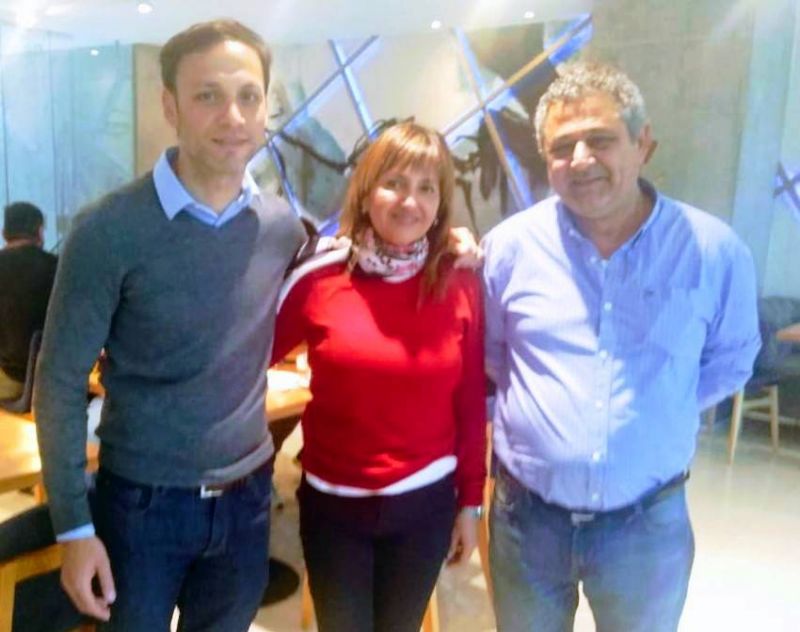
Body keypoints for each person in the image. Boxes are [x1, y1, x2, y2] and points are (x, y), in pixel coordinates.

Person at [34, 20, 307, 631]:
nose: (232, 115)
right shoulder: (107, 231)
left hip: (247, 498)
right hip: (141, 504)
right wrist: (73, 528)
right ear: (170, 106)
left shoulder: (280, 227)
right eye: (208, 95)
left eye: (248, 96)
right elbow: (59, 383)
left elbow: (349, 272)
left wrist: (450, 249)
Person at [481, 61, 761, 632]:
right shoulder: (508, 249)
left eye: (601, 139)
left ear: (643, 144)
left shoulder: (713, 251)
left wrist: (657, 405)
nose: (581, 159)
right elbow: (492, 358)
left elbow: (732, 360)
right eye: (562, 147)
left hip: (647, 527)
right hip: (527, 522)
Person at [272, 122, 487, 632]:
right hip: (333, 506)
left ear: (440, 203)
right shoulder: (319, 275)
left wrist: (471, 503)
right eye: (394, 183)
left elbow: (470, 401)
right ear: (367, 192)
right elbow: (245, 358)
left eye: (426, 187)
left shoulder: (459, 280)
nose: (410, 201)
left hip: (425, 506)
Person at [0, 202, 57, 400]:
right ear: (39, 232)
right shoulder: (57, 267)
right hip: (50, 381)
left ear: (4, 233)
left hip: (8, 381)